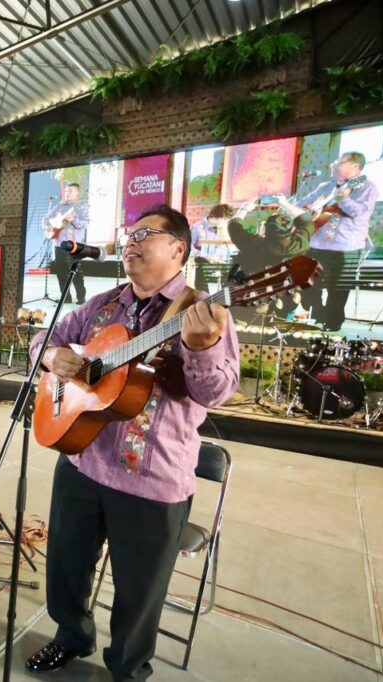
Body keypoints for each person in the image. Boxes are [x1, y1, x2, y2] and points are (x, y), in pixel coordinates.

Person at [26, 204, 239, 681]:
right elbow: (47, 339)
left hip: (151, 479)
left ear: (178, 249)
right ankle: (71, 637)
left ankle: (127, 670)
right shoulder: (102, 305)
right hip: (81, 461)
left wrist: (202, 348)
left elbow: (216, 393)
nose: (131, 242)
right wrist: (54, 356)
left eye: (145, 234)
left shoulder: (201, 311)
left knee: (138, 592)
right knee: (66, 566)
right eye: (128, 234)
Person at [297, 151, 379, 331]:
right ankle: (316, 316)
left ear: (355, 167)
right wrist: (308, 207)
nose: (334, 165)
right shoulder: (326, 186)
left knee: (337, 289)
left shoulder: (367, 187)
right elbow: (301, 204)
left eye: (339, 162)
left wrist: (344, 199)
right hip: (317, 244)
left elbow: (359, 212)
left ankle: (332, 324)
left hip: (346, 246)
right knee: (306, 284)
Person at [227, 196, 314, 320]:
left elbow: (234, 226)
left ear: (266, 229)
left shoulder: (253, 244)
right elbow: (306, 220)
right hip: (286, 294)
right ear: (291, 229)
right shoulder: (299, 245)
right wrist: (284, 203)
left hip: (255, 295)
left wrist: (245, 208)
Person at [45, 182, 91, 304]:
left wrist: (74, 219)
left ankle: (81, 297)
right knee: (61, 272)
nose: (67, 193)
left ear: (77, 192)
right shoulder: (60, 206)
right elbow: (47, 219)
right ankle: (66, 297)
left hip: (73, 244)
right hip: (59, 243)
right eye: (66, 191)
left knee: (75, 271)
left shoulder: (82, 206)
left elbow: (86, 223)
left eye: (70, 191)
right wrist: (51, 224)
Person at [190, 204, 238, 292]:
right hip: (202, 268)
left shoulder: (225, 227)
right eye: (222, 221)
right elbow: (189, 247)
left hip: (222, 269)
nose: (223, 224)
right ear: (213, 216)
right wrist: (203, 256)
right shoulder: (197, 228)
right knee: (203, 293)